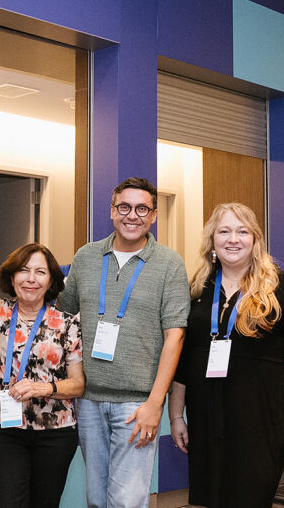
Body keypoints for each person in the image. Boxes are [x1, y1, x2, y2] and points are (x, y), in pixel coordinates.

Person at [168, 202, 284, 508]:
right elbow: (184, 360)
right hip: (206, 417)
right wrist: (176, 416)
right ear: (212, 240)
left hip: (260, 419)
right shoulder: (198, 290)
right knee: (210, 499)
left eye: (242, 231)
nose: (232, 239)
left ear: (255, 240)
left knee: (250, 498)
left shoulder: (282, 287)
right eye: (223, 231)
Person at [57, 177, 190, 508]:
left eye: (142, 208)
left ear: (154, 215)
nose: (133, 215)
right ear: (112, 211)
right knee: (96, 500)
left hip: (137, 404)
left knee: (126, 502)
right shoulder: (86, 257)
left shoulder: (169, 264)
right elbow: (61, 315)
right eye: (125, 207)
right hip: (88, 401)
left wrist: (155, 403)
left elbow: (175, 337)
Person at [0, 243, 85, 508]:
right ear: (11, 276)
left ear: (51, 279)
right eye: (23, 270)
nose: (31, 279)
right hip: (7, 430)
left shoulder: (67, 323)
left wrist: (43, 389)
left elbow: (78, 384)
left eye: (40, 272)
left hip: (56, 432)